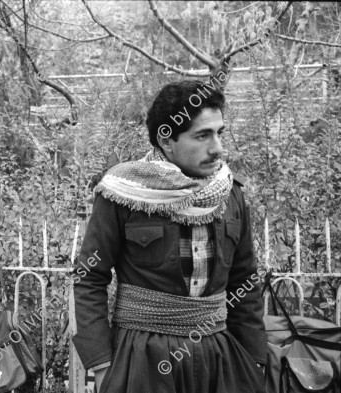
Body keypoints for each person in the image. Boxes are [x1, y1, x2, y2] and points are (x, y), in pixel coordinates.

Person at [72, 80, 267, 393]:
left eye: (219, 133)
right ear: (167, 139)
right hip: (141, 358)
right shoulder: (123, 193)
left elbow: (245, 280)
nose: (217, 147)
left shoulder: (230, 195)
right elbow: (89, 278)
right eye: (202, 135)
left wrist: (255, 358)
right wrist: (102, 364)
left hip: (218, 358)